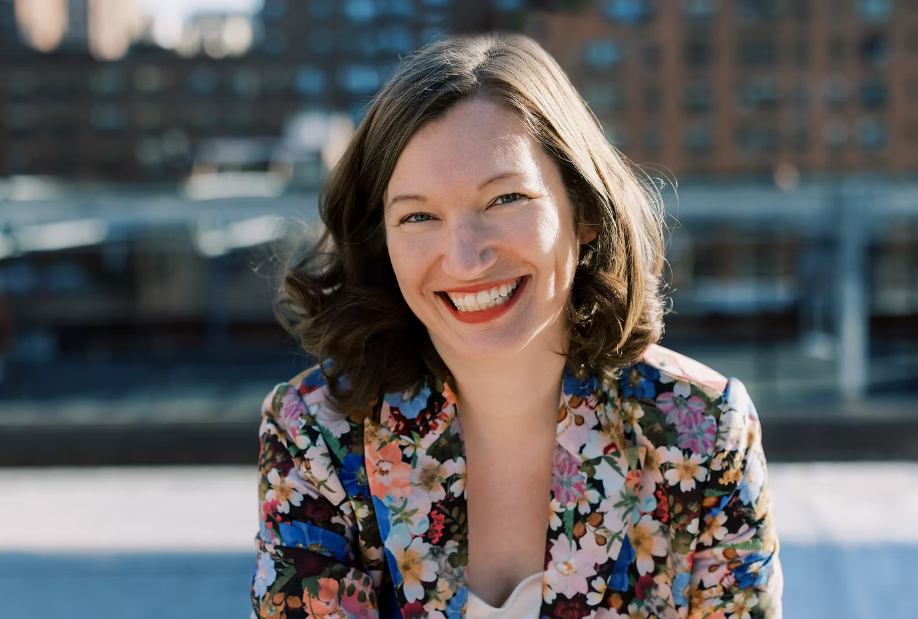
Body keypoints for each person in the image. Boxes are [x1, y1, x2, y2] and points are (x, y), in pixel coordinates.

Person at [250, 34, 782, 619]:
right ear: (384, 241)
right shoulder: (316, 435)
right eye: (419, 215)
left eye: (504, 199)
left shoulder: (701, 430)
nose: (464, 257)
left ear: (583, 213)